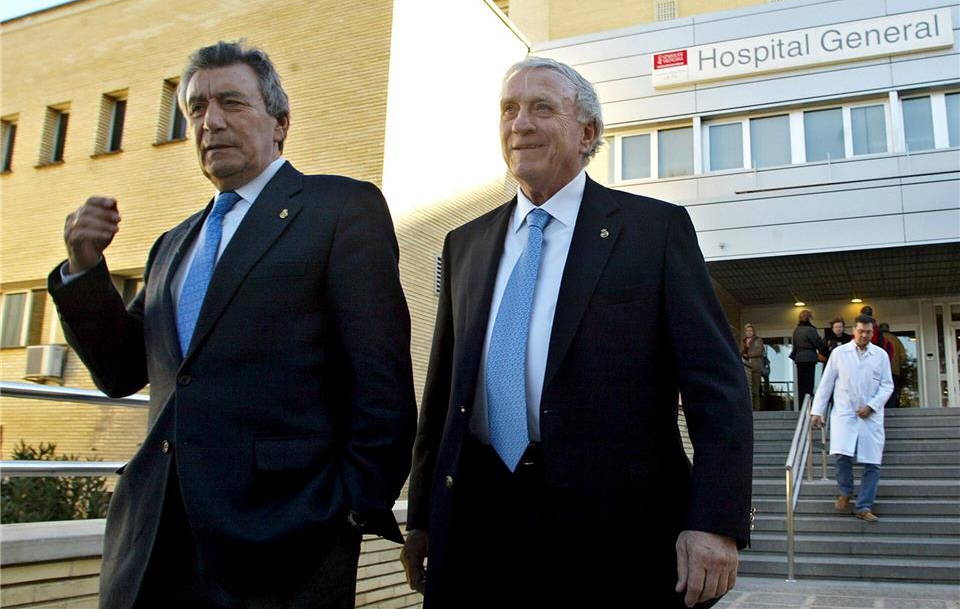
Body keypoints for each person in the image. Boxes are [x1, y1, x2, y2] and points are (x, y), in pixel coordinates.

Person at [48, 41, 417, 608]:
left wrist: (348, 509)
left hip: (285, 542)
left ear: (280, 123)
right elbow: (121, 372)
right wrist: (83, 269)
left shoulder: (341, 209)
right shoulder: (174, 244)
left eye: (231, 103)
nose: (210, 121)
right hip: (154, 541)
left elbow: (381, 381)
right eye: (196, 108)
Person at [400, 57, 753, 609]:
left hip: (614, 534)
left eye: (542, 108)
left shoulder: (653, 232)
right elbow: (443, 392)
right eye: (509, 109)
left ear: (587, 133)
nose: (520, 123)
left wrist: (715, 520)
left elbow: (719, 390)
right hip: (477, 521)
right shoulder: (465, 243)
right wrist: (423, 515)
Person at [811, 315, 893, 522]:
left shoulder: (880, 355)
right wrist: (817, 411)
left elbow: (887, 385)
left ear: (872, 333)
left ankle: (864, 506)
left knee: (872, 464)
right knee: (842, 455)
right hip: (845, 413)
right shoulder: (839, 353)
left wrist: (871, 406)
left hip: (871, 417)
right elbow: (826, 383)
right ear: (854, 331)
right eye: (861, 331)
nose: (864, 335)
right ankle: (845, 492)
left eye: (868, 332)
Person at [791, 310, 822, 404]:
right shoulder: (811, 330)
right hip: (809, 358)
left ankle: (802, 404)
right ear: (808, 318)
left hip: (799, 358)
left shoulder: (796, 330)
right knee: (809, 383)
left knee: (801, 384)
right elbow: (817, 344)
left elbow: (795, 344)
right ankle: (809, 403)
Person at [879, 322, 907, 408]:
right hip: (894, 370)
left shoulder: (877, 339)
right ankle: (892, 409)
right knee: (892, 392)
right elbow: (903, 355)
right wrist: (898, 364)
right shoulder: (896, 339)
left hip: (879, 371)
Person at [741, 323, 765, 411]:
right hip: (745, 368)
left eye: (751, 330)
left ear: (754, 331)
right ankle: (748, 410)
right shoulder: (743, 341)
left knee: (755, 391)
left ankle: (756, 411)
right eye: (747, 331)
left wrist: (748, 355)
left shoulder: (758, 340)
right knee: (747, 391)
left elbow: (759, 352)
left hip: (755, 368)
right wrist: (745, 347)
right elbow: (740, 352)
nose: (749, 332)